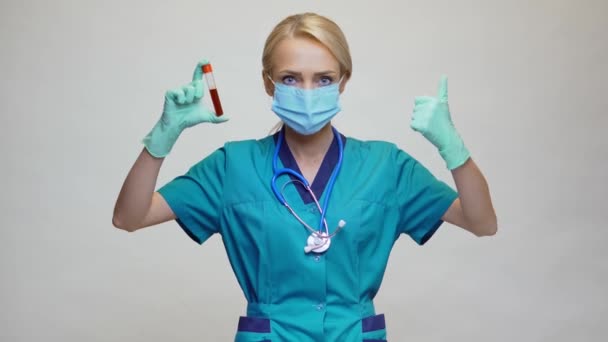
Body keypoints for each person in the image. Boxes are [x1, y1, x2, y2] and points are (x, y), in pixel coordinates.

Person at [112, 12, 497, 341]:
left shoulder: (385, 166)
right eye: (291, 78)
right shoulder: (234, 165)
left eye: (324, 78)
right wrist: (162, 137)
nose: (308, 91)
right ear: (269, 83)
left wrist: (454, 149)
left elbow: (481, 222)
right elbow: (130, 217)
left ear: (344, 81)